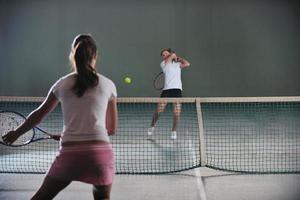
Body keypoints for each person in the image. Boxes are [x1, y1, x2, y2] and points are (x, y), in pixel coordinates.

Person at [2, 34, 118, 200]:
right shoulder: (109, 85)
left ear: (73, 54)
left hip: (70, 154)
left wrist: (16, 133)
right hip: (100, 154)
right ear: (95, 55)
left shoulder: (62, 83)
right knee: (102, 197)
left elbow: (38, 115)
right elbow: (111, 129)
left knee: (41, 197)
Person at [148, 48, 190, 139]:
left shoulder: (177, 65)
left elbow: (187, 64)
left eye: (166, 53)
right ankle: (152, 126)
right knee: (159, 111)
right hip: (166, 90)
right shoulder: (163, 64)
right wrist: (172, 55)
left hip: (177, 90)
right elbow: (168, 60)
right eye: (163, 55)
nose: (165, 55)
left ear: (169, 54)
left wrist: (178, 58)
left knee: (176, 113)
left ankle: (174, 131)